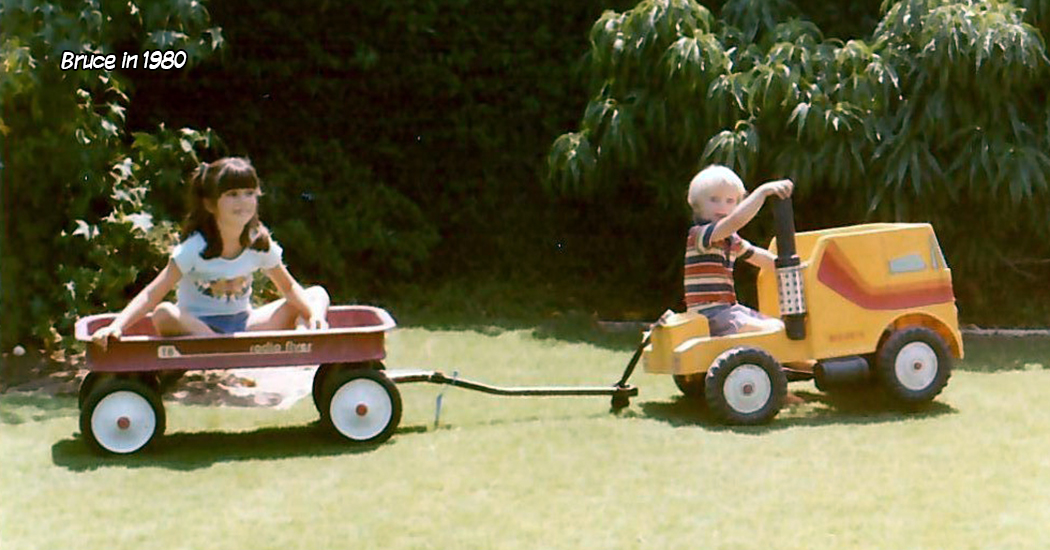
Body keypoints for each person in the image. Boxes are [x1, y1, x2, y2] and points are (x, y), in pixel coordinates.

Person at [91, 157, 330, 350]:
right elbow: (152, 294)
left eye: (249, 193)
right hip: (196, 326)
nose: (243, 201)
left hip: (244, 325)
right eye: (232, 194)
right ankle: (215, 345)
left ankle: (308, 332)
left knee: (317, 295)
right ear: (210, 204)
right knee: (164, 313)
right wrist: (117, 326)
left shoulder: (257, 243)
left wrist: (311, 314)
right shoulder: (194, 249)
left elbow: (289, 288)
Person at [684, 164, 793, 336]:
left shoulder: (730, 239)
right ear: (697, 205)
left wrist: (791, 267)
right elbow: (735, 221)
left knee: (778, 325)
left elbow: (756, 256)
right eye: (714, 199)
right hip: (709, 315)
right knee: (773, 331)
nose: (722, 206)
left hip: (729, 310)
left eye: (730, 201)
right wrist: (762, 192)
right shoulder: (700, 235)